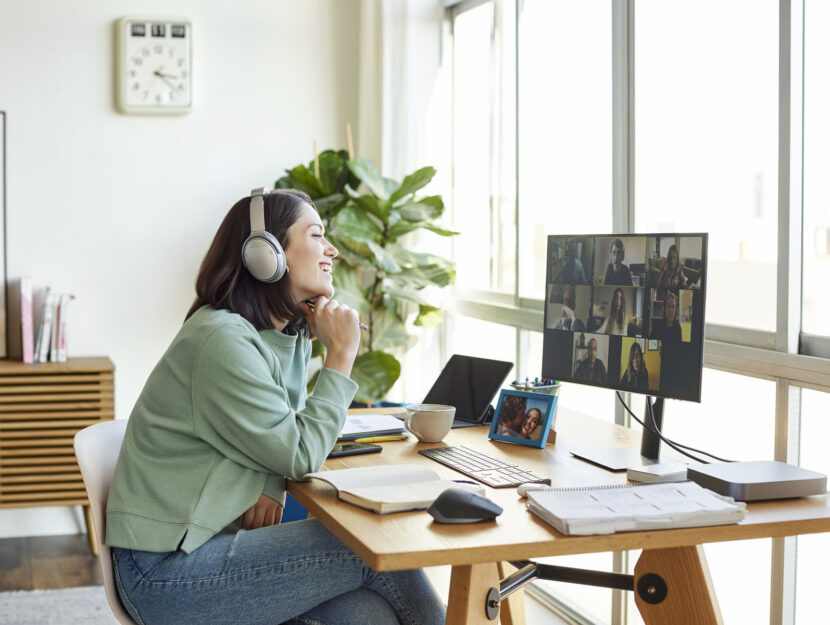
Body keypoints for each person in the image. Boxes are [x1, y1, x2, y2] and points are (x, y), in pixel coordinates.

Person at [105, 189, 445, 625]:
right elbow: (301, 454)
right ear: (265, 254)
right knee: (366, 544)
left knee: (370, 614)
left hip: (208, 547)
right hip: (163, 573)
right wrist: (341, 355)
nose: (333, 250)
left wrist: (270, 479)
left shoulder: (277, 337)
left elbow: (280, 432)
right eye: (317, 234)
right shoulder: (221, 339)